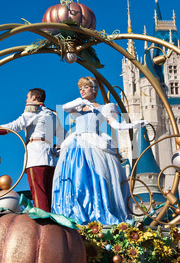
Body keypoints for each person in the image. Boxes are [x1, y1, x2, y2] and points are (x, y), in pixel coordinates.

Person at [51, 76, 148, 225]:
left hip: (95, 145)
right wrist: (82, 101)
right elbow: (65, 107)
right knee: (74, 178)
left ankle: (97, 211)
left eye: (86, 87)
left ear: (94, 89)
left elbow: (116, 126)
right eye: (80, 88)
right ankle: (72, 211)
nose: (82, 90)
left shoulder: (105, 108)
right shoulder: (78, 107)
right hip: (76, 145)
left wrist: (134, 125)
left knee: (96, 178)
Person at [0, 88, 64, 212]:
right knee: (50, 195)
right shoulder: (52, 114)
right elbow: (63, 135)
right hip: (51, 159)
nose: (26, 100)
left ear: (34, 98)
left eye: (27, 97)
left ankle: (44, 226)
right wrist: (58, 149)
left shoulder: (33, 111)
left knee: (39, 195)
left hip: (36, 157)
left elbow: (13, 127)